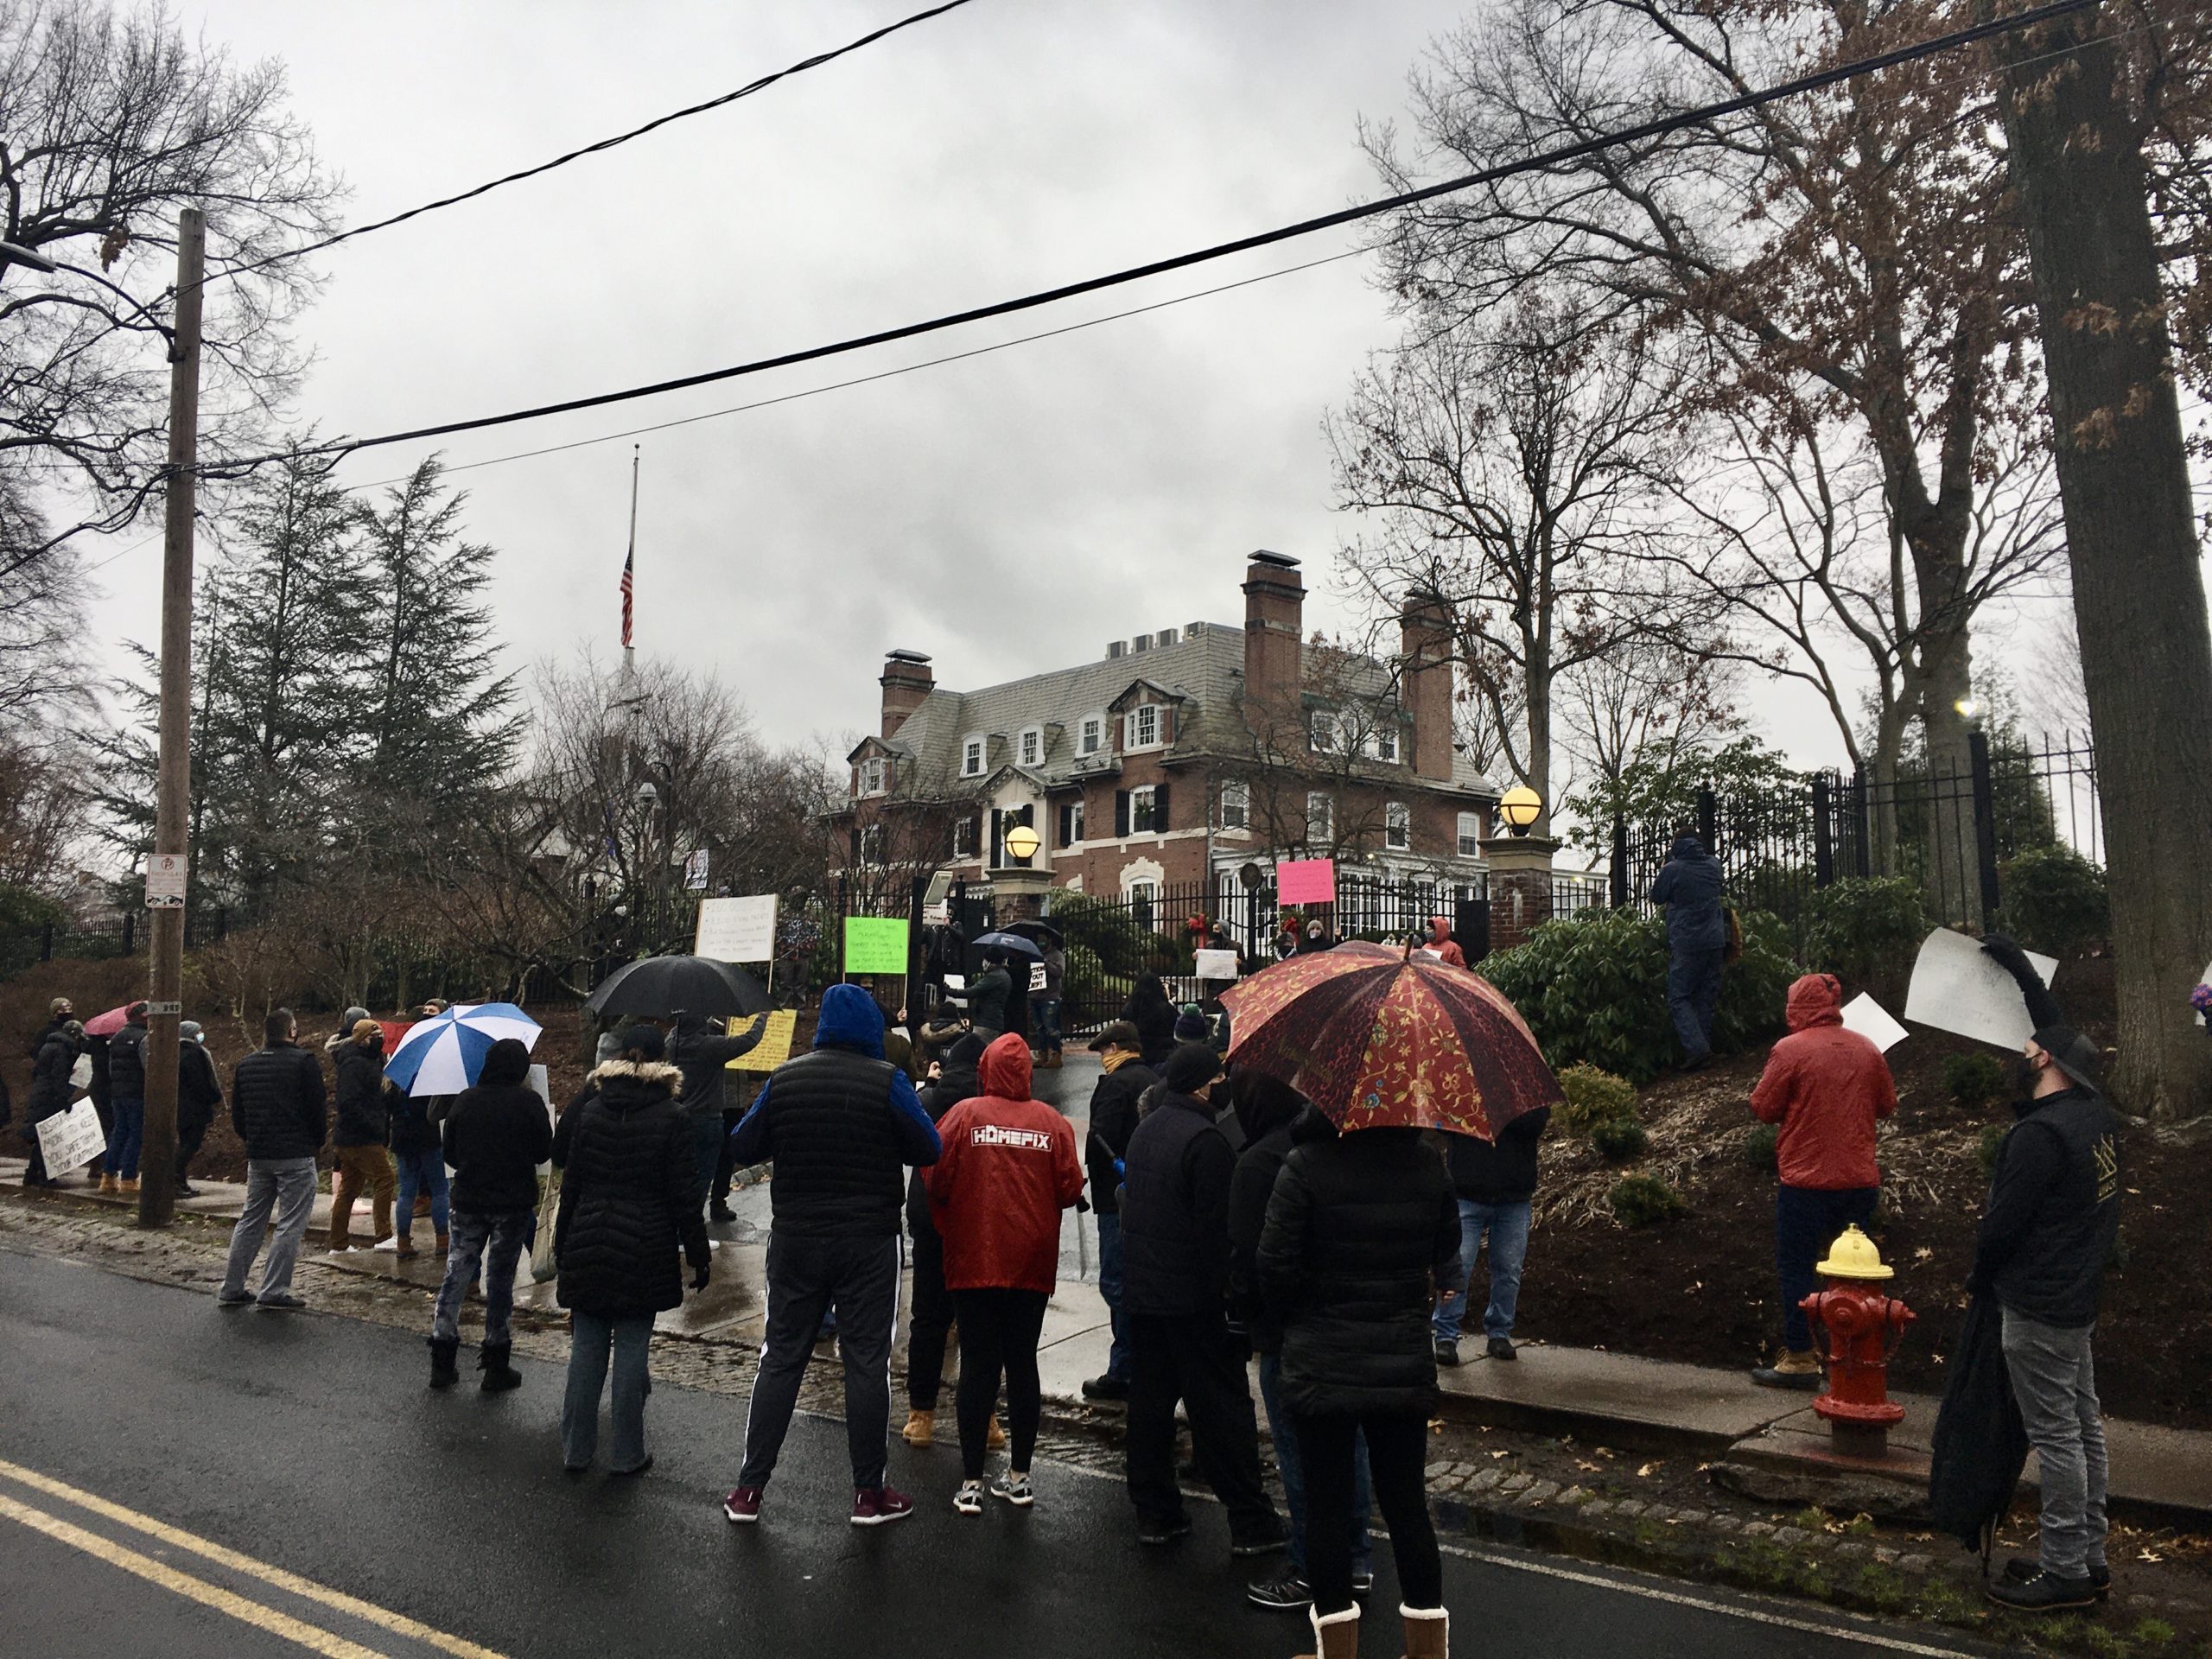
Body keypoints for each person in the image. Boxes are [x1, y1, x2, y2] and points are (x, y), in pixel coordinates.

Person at [722, 984, 942, 1528]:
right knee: (866, 1362)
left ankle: (749, 1489)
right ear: (870, 1029)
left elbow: (744, 1146)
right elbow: (929, 1147)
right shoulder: (887, 1081)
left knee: (781, 1356)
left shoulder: (786, 1078)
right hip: (869, 1240)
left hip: (796, 1236)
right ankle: (870, 1493)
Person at [1257, 1104, 1461, 1659]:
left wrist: (1296, 1314)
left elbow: (1273, 1265)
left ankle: (1337, 1649)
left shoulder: (1304, 1166)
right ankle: (1426, 1650)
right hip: (1400, 1357)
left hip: (1323, 1358)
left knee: (1326, 1507)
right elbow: (1445, 1253)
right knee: (1406, 1503)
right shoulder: (1428, 1166)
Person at [1974, 938, 2122, 1614]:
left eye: (2031, 1052)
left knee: (2058, 1435)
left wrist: (1980, 1280)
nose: (2023, 1055)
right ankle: (2087, 1556)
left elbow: (2001, 1228)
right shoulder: (2093, 1119)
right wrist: (2020, 970)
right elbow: (2049, 1019)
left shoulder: (2037, 1139)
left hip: (2037, 1305)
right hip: (2077, 1296)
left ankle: (2063, 1569)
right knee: (2083, 1423)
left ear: (2046, 1065)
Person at [1118, 1040, 1285, 1556]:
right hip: (1193, 1302)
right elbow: (1217, 1236)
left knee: (1148, 1407)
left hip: (1144, 1296)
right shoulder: (1207, 1143)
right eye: (1218, 1080)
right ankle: (1251, 1522)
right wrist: (1232, 1296)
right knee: (1222, 1412)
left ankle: (1156, 1512)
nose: (1224, 1088)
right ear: (1201, 1086)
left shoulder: (1146, 1130)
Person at [1229, 1071, 1376, 1612]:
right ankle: (1355, 1556)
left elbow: (1250, 1257)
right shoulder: (1337, 1152)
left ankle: (1310, 1565)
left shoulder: (1258, 1164)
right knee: (1349, 1445)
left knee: (1299, 1454)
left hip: (1288, 1331)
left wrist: (1246, 1314)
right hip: (1344, 1321)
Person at [925, 1033, 1084, 1514]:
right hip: (1030, 1263)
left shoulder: (964, 1116)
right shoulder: (1052, 1124)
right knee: (1022, 1363)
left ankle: (972, 1479)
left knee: (977, 1365)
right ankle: (1019, 1476)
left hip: (974, 1259)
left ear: (986, 1069)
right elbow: (1070, 1188)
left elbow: (936, 1177)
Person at [553, 1025, 707, 1474]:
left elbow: (572, 1184)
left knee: (586, 1349)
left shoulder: (592, 1111)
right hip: (646, 1243)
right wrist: (698, 1254)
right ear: (663, 1063)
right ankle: (626, 1452)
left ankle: (576, 1450)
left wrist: (564, 1243)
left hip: (587, 1237)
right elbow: (684, 1195)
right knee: (633, 1350)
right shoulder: (673, 1117)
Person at [1746, 973, 1897, 1388]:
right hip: (1860, 1181)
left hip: (1805, 1183)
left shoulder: (1789, 1050)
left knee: (1797, 1266)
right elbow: (1887, 1104)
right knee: (1855, 1276)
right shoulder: (1867, 1048)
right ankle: (1852, 1358)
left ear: (1796, 1007)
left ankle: (1799, 1357)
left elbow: (1763, 1107)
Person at [435, 1037, 555, 1391]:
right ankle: (496, 1360)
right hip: (512, 1202)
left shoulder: (466, 1100)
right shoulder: (529, 1102)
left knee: (456, 1274)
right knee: (500, 1282)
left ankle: (442, 1358)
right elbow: (542, 1151)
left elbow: (451, 1154)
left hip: (469, 1200)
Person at [901, 1032, 984, 1448]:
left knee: (928, 1320)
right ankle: (985, 1420)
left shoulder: (929, 1101)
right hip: (978, 1226)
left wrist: (929, 1087)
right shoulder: (991, 1107)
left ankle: (922, 1415)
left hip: (929, 1218)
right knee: (981, 1325)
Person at [216, 1010, 328, 1311]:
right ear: (292, 1030)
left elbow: (238, 1115)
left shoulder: (246, 1064)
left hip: (259, 1153)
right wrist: (316, 1142)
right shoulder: (304, 1063)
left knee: (251, 1219)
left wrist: (251, 1139)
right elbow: (317, 1110)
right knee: (290, 1223)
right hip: (295, 1152)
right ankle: (274, 1289)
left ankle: (233, 1285)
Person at [1432, 1103, 1551, 1365]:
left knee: (1509, 1269)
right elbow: (1446, 1123)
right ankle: (1445, 1335)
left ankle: (1500, 1332)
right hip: (1467, 1190)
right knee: (1459, 1265)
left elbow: (1535, 1124)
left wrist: (1498, 1109)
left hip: (1514, 1194)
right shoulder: (1462, 1078)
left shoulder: (1521, 1081)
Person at [1080, 1021, 1157, 1402]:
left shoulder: (1115, 1085)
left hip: (1117, 1199)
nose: (1103, 1060)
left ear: (1114, 1047)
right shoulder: (1153, 1077)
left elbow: (1099, 1139)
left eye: (1103, 1052)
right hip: (1152, 1194)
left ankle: (1123, 1369)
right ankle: (1147, 1362)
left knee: (1117, 1281)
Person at [666, 1010, 768, 1216]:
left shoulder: (672, 1041)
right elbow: (748, 1041)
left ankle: (693, 1216)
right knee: (702, 1173)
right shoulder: (709, 1044)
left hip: (687, 1112)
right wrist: (762, 1019)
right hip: (708, 1114)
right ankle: (690, 1225)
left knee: (692, 1169)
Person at [1650, 832, 1727, 1071]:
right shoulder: (1714, 865)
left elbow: (1656, 897)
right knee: (1705, 995)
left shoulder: (1673, 869)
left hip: (1687, 941)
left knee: (1679, 997)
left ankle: (1697, 1049)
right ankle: (1702, 1050)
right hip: (1715, 940)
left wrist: (1665, 868)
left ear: (1676, 846)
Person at [328, 1020, 397, 1252]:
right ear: (363, 1038)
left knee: (349, 1189)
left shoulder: (370, 1061)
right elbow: (349, 1102)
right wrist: (372, 1125)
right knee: (385, 1178)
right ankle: (384, 1235)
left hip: (353, 1136)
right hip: (361, 1137)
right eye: (375, 1033)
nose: (379, 1037)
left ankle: (338, 1243)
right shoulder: (355, 1064)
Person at [388, 1069, 449, 1261]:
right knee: (440, 1189)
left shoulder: (396, 1078)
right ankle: (443, 1240)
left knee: (406, 1191)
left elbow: (387, 1106)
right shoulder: (431, 1077)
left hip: (401, 1137)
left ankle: (403, 1242)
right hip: (429, 1137)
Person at [22, 1018, 83, 1189]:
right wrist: (64, 1099)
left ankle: (32, 1174)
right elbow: (59, 1076)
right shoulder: (62, 1050)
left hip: (40, 1093)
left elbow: (38, 1071)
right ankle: (45, 1176)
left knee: (41, 1134)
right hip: (50, 1097)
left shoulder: (48, 1046)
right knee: (48, 1136)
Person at [101, 1001, 149, 1195]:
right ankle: (129, 1177)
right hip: (137, 1093)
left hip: (118, 1093)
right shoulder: (144, 1038)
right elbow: (149, 1067)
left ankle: (108, 1176)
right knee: (136, 1135)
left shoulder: (117, 1037)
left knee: (119, 1132)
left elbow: (111, 1068)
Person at [175, 1020, 224, 1197]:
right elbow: (201, 1082)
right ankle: (173, 1176)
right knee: (191, 1144)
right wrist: (213, 1097)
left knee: (185, 1142)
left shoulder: (175, 1052)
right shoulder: (195, 1053)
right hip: (194, 1107)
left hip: (179, 1107)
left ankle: (180, 1181)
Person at [1121, 973, 1179, 1067]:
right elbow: (1176, 1029)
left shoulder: (1128, 1009)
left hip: (1136, 1054)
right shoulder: (1166, 1009)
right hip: (1162, 1056)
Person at [963, 950, 1014, 1039]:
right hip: (994, 1021)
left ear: (991, 962)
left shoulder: (995, 977)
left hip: (986, 1023)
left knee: (978, 1048)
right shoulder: (1003, 975)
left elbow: (973, 991)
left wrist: (951, 991)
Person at [1032, 938, 1065, 1068]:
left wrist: (1045, 962)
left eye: (1043, 939)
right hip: (1035, 996)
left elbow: (1059, 972)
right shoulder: (1034, 954)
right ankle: (1043, 1054)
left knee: (1051, 1028)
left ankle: (1056, 1055)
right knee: (1040, 1029)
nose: (1040, 942)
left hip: (1050, 997)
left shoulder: (1057, 955)